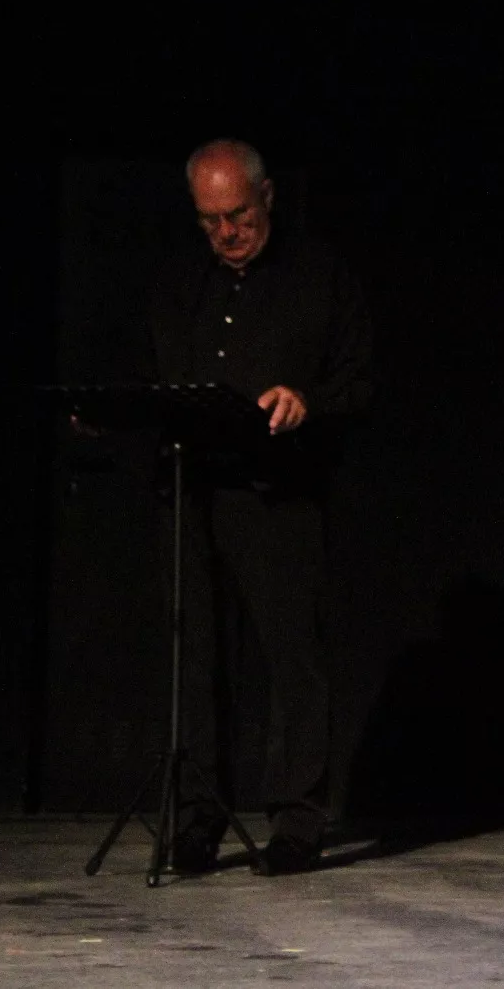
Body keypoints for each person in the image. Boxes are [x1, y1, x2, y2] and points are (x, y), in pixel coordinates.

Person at [147, 139, 372, 874]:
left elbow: (360, 381)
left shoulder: (319, 276)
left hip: (280, 493)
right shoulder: (183, 281)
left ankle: (297, 826)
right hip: (197, 489)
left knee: (291, 663)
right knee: (198, 659)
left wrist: (309, 401)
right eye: (209, 221)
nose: (226, 233)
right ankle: (197, 819)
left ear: (267, 196)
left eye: (237, 215)